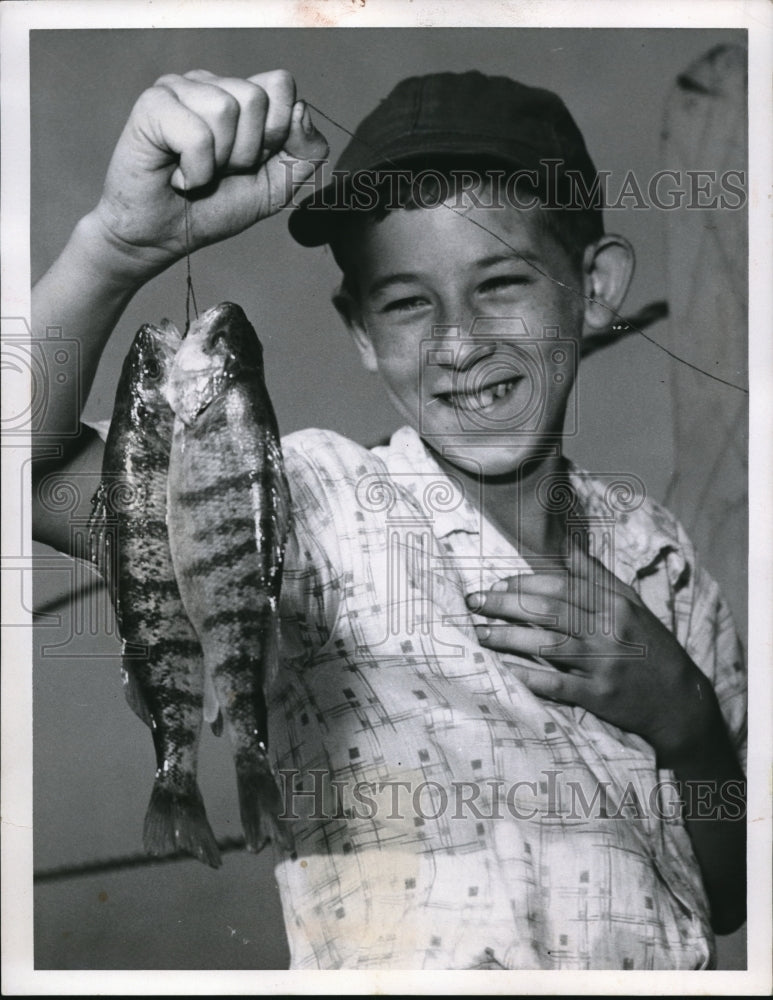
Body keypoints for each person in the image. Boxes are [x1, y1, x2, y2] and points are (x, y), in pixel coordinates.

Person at [31, 68, 746, 970]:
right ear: (360, 329)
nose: (457, 341)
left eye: (500, 284)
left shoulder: (663, 561)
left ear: (594, 287)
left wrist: (686, 719)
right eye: (408, 302)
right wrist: (115, 247)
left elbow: (731, 895)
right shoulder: (310, 504)